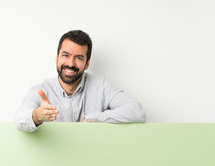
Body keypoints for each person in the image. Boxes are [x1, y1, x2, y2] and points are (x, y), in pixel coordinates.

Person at [15, 30, 146, 132]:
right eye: (65, 55)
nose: (70, 64)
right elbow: (19, 121)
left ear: (87, 64)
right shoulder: (40, 90)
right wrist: (37, 116)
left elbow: (137, 112)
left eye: (78, 58)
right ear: (57, 57)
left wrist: (94, 119)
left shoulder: (101, 86)